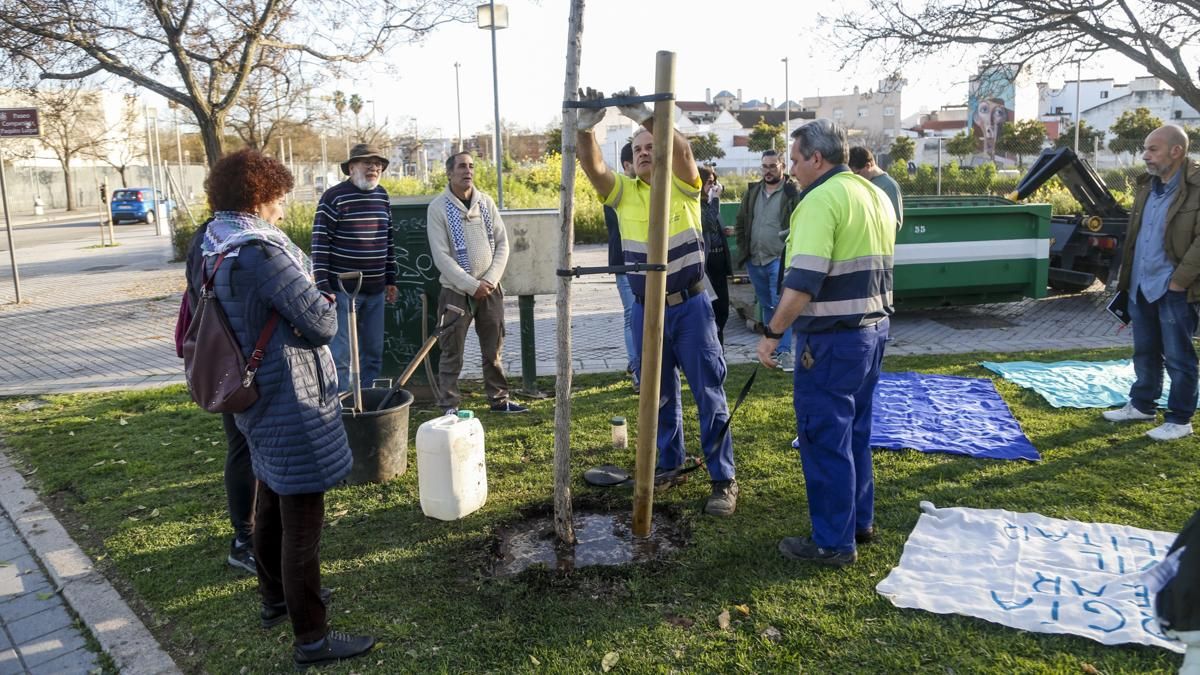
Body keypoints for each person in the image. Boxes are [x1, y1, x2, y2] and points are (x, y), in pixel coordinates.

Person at [194, 148, 374, 668]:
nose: (283, 207)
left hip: (250, 393)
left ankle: (275, 600)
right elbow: (320, 324)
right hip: (289, 396)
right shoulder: (262, 254)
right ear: (260, 197)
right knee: (303, 521)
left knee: (271, 495)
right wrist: (325, 304)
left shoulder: (211, 244)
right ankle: (312, 636)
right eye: (278, 197)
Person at [576, 88, 738, 516]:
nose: (645, 152)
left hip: (692, 307)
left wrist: (647, 116)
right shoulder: (623, 193)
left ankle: (723, 480)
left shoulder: (683, 186)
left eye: (651, 146)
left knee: (709, 393)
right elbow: (592, 167)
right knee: (658, 395)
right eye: (638, 149)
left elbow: (682, 149)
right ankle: (668, 466)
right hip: (648, 310)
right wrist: (584, 127)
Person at [757, 118, 896, 566]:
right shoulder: (873, 192)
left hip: (832, 340)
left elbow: (802, 283)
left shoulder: (820, 201)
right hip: (872, 333)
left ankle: (833, 542)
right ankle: (859, 521)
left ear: (817, 158)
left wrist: (772, 333)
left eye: (795, 160)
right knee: (856, 431)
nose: (792, 169)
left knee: (823, 439)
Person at [1102, 124, 1200, 441]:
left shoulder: (1197, 186)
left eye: (1152, 149)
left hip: (1175, 289)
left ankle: (1180, 419)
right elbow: (1137, 238)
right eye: (1145, 148)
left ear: (1176, 151)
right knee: (1144, 351)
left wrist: (1178, 282)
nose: (1145, 155)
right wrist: (1126, 281)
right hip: (1141, 285)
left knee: (1179, 357)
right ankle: (1142, 404)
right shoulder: (1147, 186)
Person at [426, 151, 528, 415]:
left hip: (490, 289)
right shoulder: (438, 208)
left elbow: (503, 244)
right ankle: (449, 406)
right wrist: (472, 285)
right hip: (455, 292)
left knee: (493, 349)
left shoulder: (486, 203)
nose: (467, 171)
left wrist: (490, 279)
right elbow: (441, 256)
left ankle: (499, 400)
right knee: (451, 351)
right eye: (461, 166)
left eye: (471, 166)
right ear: (449, 173)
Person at [184, 219, 257, 576]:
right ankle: (245, 539)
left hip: (232, 357)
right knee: (243, 446)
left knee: (245, 445)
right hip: (235, 361)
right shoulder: (224, 239)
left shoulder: (212, 234)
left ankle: (253, 533)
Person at [311, 143, 397, 393]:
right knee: (342, 355)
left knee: (373, 353)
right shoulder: (334, 196)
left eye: (378, 164)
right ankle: (342, 405)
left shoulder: (382, 195)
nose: (374, 167)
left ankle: (366, 402)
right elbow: (320, 242)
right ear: (351, 168)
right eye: (366, 162)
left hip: (376, 290)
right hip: (343, 291)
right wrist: (323, 285)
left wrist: (391, 279)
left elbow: (388, 239)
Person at [730, 150, 800, 371]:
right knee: (768, 306)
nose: (768, 171)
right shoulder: (753, 192)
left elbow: (800, 221)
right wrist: (744, 249)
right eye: (764, 166)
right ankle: (772, 351)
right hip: (755, 259)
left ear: (782, 166)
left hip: (779, 258)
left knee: (781, 305)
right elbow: (741, 222)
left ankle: (786, 352)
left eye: (772, 166)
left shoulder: (792, 192)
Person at [607, 142, 640, 392]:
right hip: (625, 263)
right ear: (627, 165)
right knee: (632, 315)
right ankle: (638, 369)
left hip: (644, 262)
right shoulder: (616, 191)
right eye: (639, 155)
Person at [699, 165, 731, 345]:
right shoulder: (697, 203)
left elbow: (714, 226)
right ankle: (714, 346)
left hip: (719, 261)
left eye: (714, 182)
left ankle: (719, 347)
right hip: (707, 264)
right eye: (709, 183)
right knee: (712, 309)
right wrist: (716, 200)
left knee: (723, 309)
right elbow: (708, 223)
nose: (713, 186)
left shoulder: (709, 203)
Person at [848, 146, 904, 230]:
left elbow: (896, 223)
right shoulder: (858, 183)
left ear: (868, 165)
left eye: (857, 173)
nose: (855, 178)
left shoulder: (888, 186)